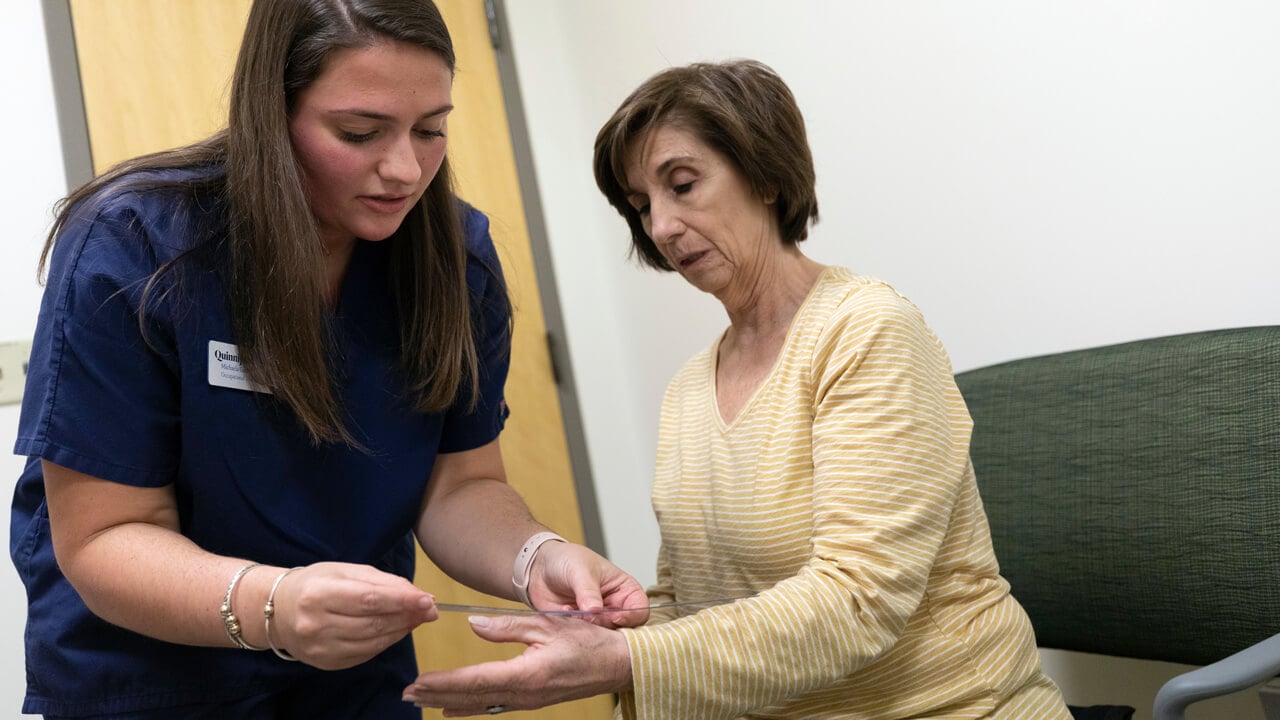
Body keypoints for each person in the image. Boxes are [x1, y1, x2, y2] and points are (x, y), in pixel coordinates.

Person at [9, 1, 647, 718]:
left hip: (349, 687)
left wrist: (537, 558)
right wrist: (272, 606)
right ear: (271, 115)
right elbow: (104, 537)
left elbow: (461, 485)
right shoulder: (134, 246)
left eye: (432, 129)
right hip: (145, 685)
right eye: (359, 132)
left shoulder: (452, 259)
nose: (405, 168)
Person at [403, 59, 1073, 719]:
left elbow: (859, 603)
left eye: (684, 185)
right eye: (642, 206)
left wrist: (626, 663)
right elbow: (685, 600)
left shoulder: (867, 330)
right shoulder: (691, 388)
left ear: (764, 177)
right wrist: (607, 639)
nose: (661, 227)